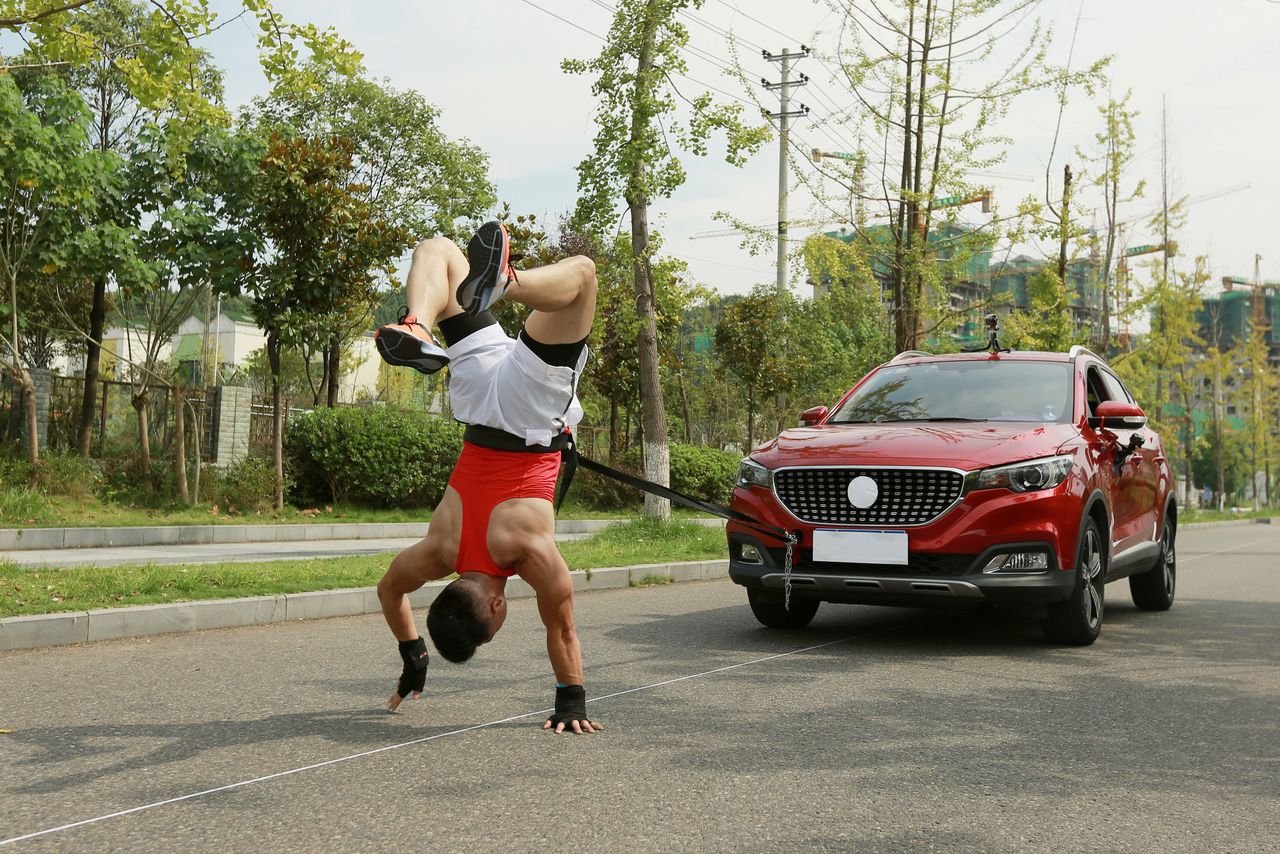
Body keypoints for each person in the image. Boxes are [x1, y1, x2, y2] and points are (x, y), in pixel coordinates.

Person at [373, 221, 601, 735]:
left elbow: (561, 628)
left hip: (527, 410)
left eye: (496, 626)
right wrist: (413, 653)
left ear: (495, 608)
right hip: (475, 399)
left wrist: (571, 702)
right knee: (438, 250)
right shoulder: (439, 551)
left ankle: (505, 283)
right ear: (449, 586)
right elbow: (389, 591)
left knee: (582, 277)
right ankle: (417, 324)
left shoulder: (528, 551)